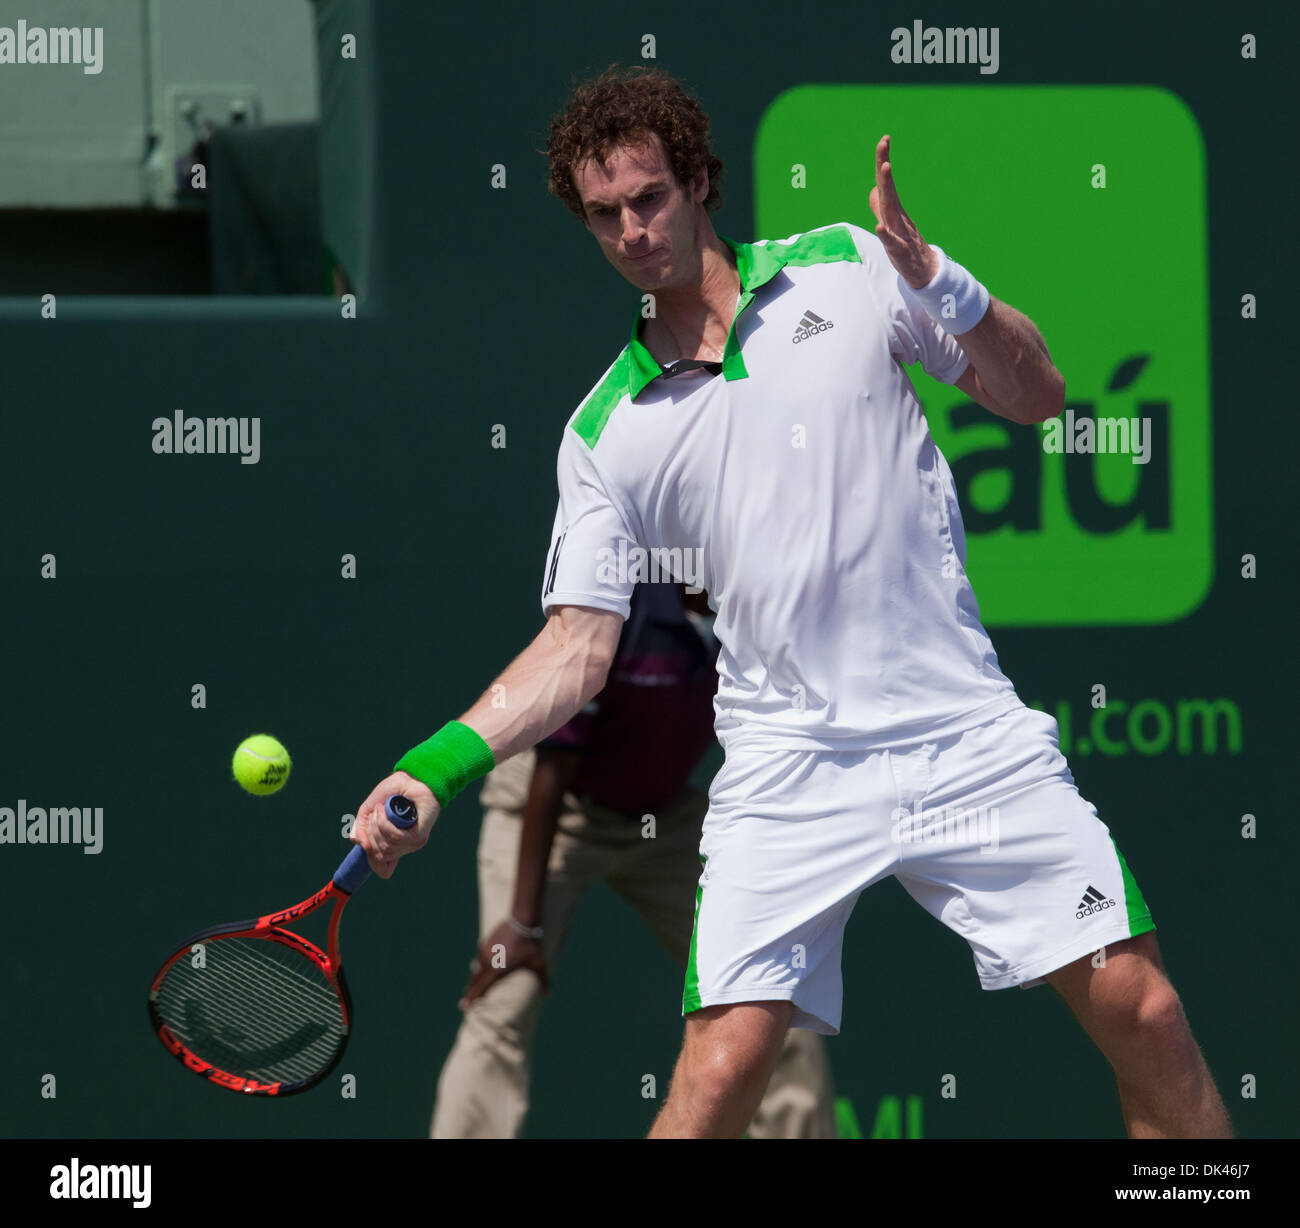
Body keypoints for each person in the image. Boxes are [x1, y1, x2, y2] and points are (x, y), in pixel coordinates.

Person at [352, 66, 1232, 1139]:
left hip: (965, 733)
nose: (633, 230)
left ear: (699, 181)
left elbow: (1035, 393)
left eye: (650, 197)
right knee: (717, 1079)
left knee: (1142, 1008)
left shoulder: (850, 268)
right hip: (788, 764)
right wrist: (438, 763)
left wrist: (941, 278)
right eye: (604, 214)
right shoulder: (606, 432)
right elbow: (576, 648)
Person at [429, 581, 836, 1138]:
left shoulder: (756, 617)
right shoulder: (618, 616)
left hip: (665, 820)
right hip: (554, 808)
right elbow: (553, 771)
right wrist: (523, 924)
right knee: (507, 993)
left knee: (766, 995)